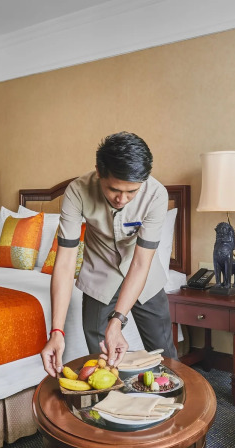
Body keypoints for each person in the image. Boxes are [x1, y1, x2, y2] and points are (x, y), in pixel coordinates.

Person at [40, 131, 178, 377]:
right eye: (114, 189)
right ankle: (110, 400)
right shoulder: (77, 191)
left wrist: (117, 321)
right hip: (99, 275)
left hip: (144, 276)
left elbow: (140, 263)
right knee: (100, 360)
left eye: (132, 192)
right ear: (99, 172)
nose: (122, 199)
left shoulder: (156, 194)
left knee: (164, 353)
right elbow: (65, 263)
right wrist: (56, 331)